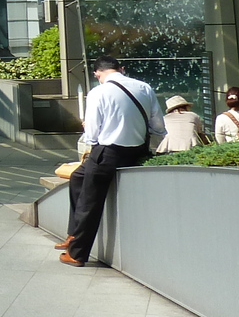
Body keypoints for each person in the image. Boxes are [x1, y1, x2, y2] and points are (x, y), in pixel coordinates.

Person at [58, 57, 165, 267]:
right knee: (78, 177)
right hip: (138, 152)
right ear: (121, 69)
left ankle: (77, 254)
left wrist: (91, 135)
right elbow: (158, 126)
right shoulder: (144, 87)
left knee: (90, 202)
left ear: (97, 73)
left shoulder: (98, 92)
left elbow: (92, 133)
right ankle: (72, 234)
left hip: (108, 153)